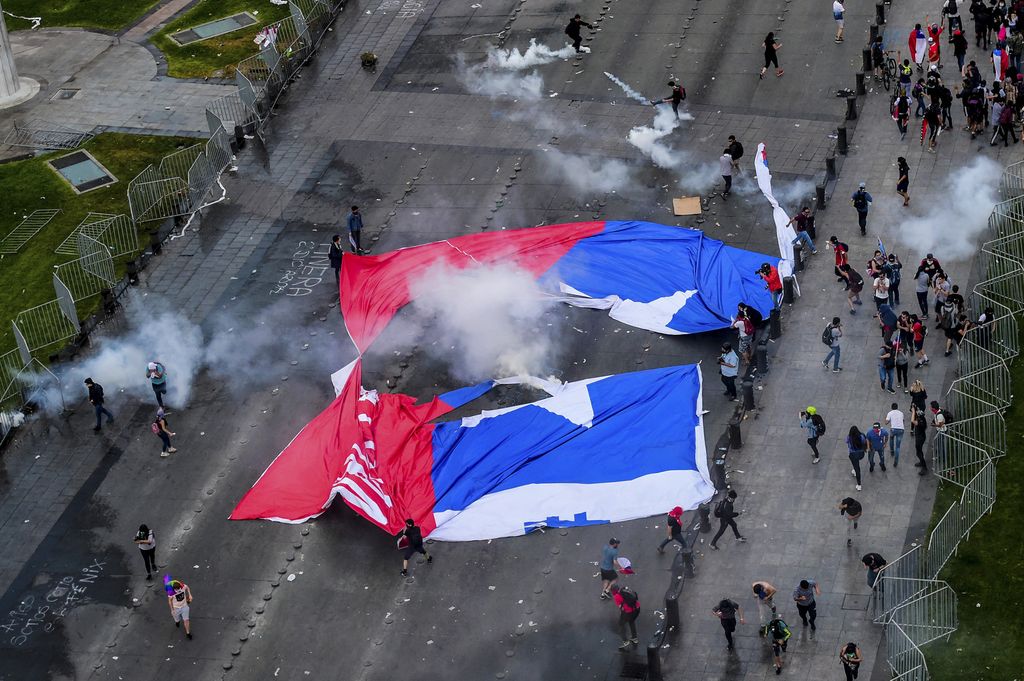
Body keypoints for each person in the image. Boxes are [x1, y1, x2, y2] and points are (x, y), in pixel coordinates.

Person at [611, 585, 640, 649]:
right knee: (631, 622)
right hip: (637, 608)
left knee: (621, 624)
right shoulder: (625, 589)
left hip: (629, 612)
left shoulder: (616, 596)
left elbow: (622, 608)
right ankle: (634, 638)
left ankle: (625, 641)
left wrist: (623, 614)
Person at [847, 426, 867, 491]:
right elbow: (864, 442)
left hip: (853, 455)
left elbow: (847, 442)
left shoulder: (849, 437)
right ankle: (855, 470)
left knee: (857, 468)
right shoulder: (862, 436)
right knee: (856, 464)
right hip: (861, 454)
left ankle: (859, 485)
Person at [911, 405, 929, 474]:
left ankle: (924, 467)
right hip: (922, 437)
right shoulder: (923, 419)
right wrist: (916, 408)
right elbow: (919, 412)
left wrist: (913, 412)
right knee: (919, 452)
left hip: (919, 439)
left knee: (919, 453)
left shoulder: (919, 422)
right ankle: (921, 462)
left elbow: (912, 420)